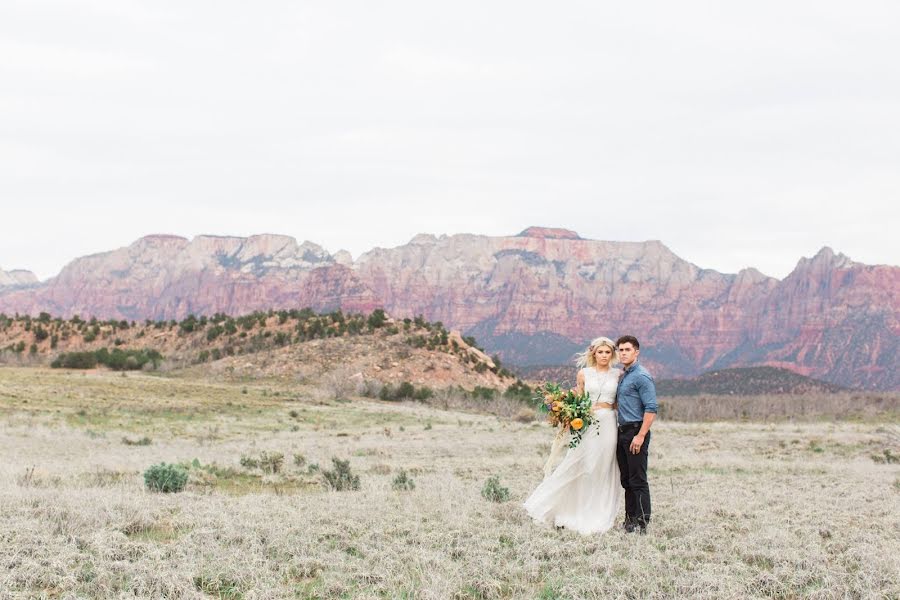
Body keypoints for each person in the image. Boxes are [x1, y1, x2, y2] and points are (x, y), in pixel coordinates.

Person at [523, 337, 621, 535]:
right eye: (600, 352)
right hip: (587, 423)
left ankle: (597, 512)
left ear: (612, 354)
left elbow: (620, 402)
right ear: (594, 353)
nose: (603, 356)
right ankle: (561, 507)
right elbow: (578, 397)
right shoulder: (583, 373)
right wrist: (567, 410)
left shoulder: (618, 374)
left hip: (609, 422)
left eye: (607, 352)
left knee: (603, 466)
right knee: (580, 462)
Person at [615, 335, 657, 533]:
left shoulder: (641, 376)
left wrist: (640, 436)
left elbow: (651, 408)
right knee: (626, 480)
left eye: (627, 350)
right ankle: (629, 520)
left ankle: (642, 523)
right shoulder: (625, 375)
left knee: (638, 479)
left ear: (636, 352)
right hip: (622, 432)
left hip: (635, 431)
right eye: (621, 350)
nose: (623, 353)